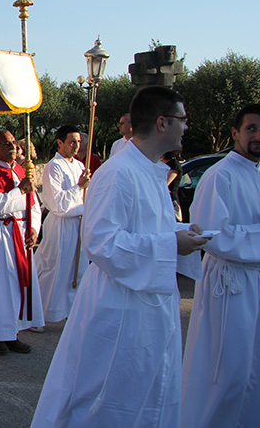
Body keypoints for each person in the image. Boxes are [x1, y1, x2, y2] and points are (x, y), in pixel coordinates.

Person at [31, 86, 210, 427]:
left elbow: (145, 229)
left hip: (148, 302)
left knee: (146, 389)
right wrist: (172, 244)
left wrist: (180, 235)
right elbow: (102, 243)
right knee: (109, 397)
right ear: (162, 122)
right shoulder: (118, 172)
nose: (186, 127)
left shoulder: (151, 170)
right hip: (121, 306)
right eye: (182, 119)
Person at [180, 104, 260, 427]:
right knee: (226, 373)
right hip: (231, 284)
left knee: (252, 373)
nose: (257, 136)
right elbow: (211, 234)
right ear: (235, 133)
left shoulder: (254, 174)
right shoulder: (220, 175)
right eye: (251, 128)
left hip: (253, 280)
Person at [0, 130, 44, 354]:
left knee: (19, 285)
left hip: (22, 233)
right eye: (6, 144)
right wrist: (18, 191)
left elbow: (33, 205)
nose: (13, 146)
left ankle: (10, 332)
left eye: (14, 142)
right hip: (2, 233)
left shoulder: (22, 171)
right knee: (3, 286)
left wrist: (33, 228)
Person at [35, 125, 90, 324]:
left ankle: (68, 311)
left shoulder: (79, 166)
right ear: (60, 143)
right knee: (54, 270)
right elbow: (56, 202)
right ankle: (41, 314)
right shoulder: (53, 166)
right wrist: (79, 187)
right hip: (60, 225)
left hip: (78, 224)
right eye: (72, 142)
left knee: (76, 270)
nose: (77, 146)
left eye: (78, 142)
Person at [161, 150, 183, 221]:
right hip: (164, 199)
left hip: (171, 199)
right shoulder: (164, 165)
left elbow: (165, 183)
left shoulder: (174, 165)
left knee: (175, 220)